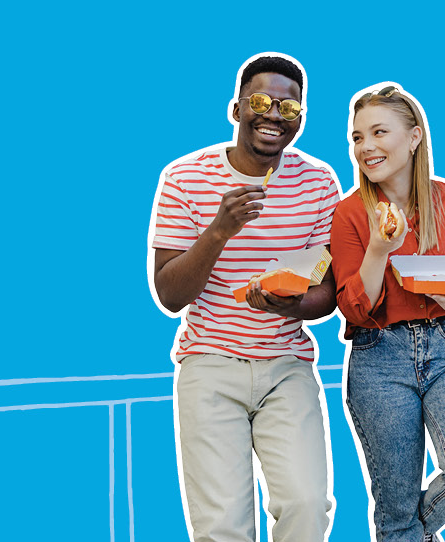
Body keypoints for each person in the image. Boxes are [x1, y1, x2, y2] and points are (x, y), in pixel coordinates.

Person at [147, 52, 341, 542]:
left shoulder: (318, 182)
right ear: (236, 109)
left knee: (306, 504)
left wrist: (293, 304)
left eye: (289, 107)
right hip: (210, 364)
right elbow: (170, 294)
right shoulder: (184, 177)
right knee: (222, 527)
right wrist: (219, 230)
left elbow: (328, 292)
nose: (274, 114)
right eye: (261, 100)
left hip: (286, 366)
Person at [331, 84, 445, 542]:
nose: (366, 146)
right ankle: (400, 529)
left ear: (413, 138)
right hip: (378, 357)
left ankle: (403, 532)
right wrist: (378, 251)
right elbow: (352, 307)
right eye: (357, 137)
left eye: (378, 132)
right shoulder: (349, 214)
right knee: (394, 502)